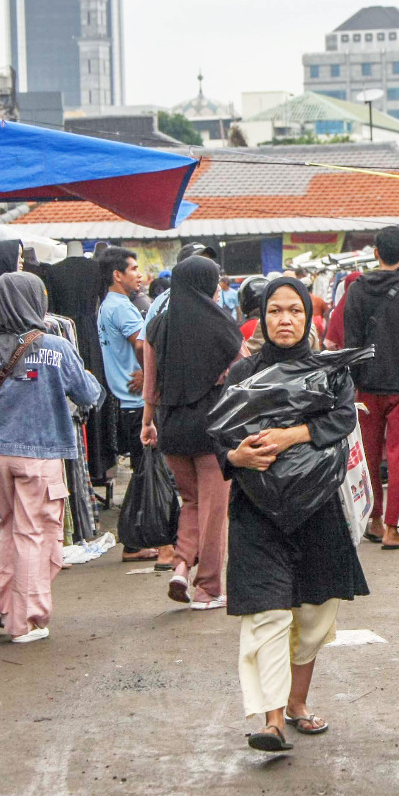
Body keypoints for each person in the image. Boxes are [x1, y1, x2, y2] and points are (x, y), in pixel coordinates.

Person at [219, 278, 369, 752]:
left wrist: (292, 435)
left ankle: (297, 704)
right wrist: (235, 459)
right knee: (265, 614)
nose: (285, 320)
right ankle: (271, 721)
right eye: (276, 311)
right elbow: (220, 431)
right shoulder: (241, 372)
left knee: (313, 613)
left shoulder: (330, 370)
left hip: (318, 508)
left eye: (295, 312)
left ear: (309, 318)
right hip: (256, 511)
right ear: (262, 317)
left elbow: (343, 417)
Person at [0, 272, 104, 643]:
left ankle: (0, 604)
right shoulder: (57, 346)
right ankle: (28, 619)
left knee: (10, 526)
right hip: (41, 453)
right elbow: (87, 394)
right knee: (36, 532)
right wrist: (87, 377)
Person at [142, 257, 238, 611]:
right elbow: (243, 374)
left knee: (192, 502)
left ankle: (181, 565)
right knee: (214, 511)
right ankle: (208, 589)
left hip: (171, 429)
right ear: (209, 284)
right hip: (213, 430)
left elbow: (150, 386)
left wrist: (147, 423)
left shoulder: (157, 325)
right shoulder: (222, 325)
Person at [343, 226, 399, 550]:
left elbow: (349, 342)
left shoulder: (356, 290)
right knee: (398, 457)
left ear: (376, 252)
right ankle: (395, 530)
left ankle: (374, 520)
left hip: (365, 385)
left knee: (368, 456)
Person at [97, 246, 163, 563]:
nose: (139, 274)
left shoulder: (109, 305)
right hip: (135, 402)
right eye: (134, 268)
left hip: (123, 401)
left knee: (141, 470)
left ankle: (137, 540)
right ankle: (134, 543)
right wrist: (148, 375)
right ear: (117, 275)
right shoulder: (122, 307)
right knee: (144, 472)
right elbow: (142, 343)